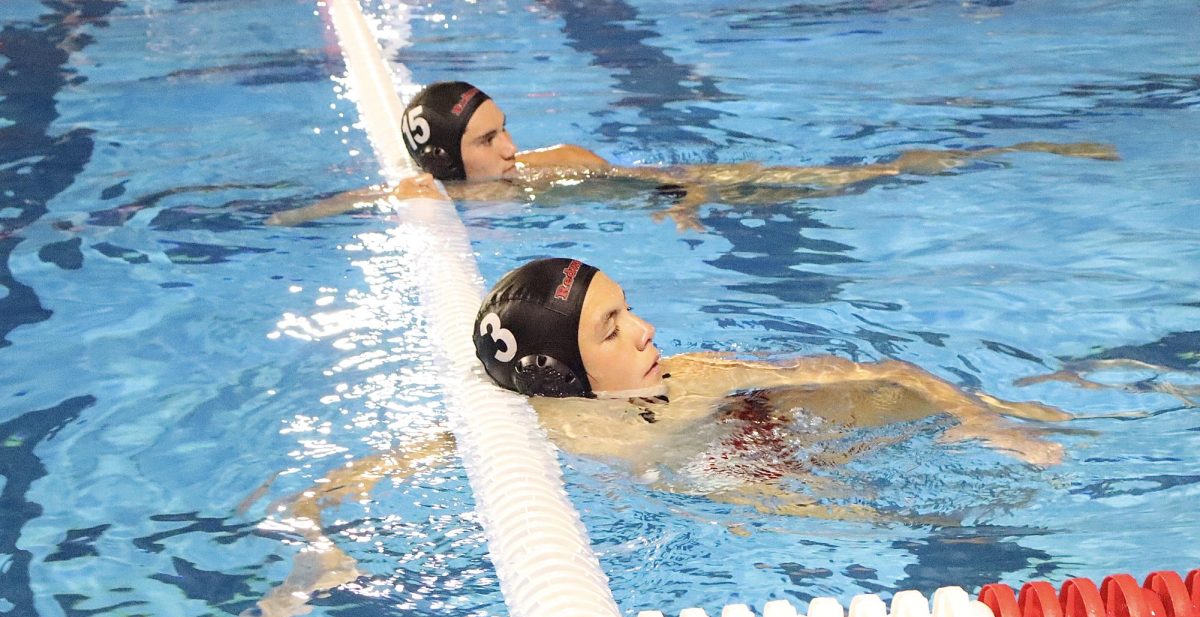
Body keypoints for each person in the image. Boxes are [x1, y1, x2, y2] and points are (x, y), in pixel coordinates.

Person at [236, 257, 1072, 617]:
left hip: (749, 437)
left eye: (628, 308)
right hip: (721, 504)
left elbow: (883, 369)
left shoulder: (698, 374)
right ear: (559, 369)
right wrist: (317, 556)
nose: (646, 330)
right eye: (613, 325)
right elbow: (322, 491)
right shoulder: (533, 431)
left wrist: (988, 418)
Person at [265, 81, 1120, 229]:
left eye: (505, 128)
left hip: (706, 186)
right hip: (673, 190)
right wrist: (290, 211)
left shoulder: (549, 166)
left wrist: (686, 202)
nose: (512, 146)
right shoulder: (457, 196)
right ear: (449, 158)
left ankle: (1018, 145)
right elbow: (376, 197)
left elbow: (644, 180)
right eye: (490, 139)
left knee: (861, 180)